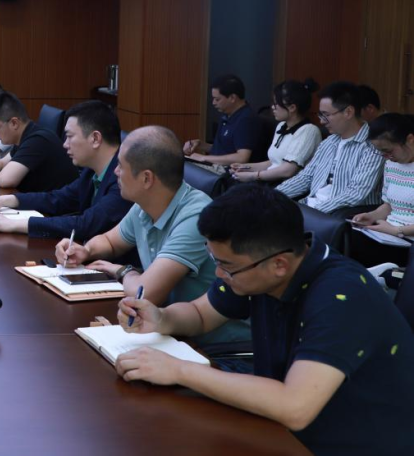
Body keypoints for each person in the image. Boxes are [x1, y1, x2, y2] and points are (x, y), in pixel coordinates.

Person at [114, 184, 414, 456]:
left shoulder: (341, 297)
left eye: (226, 266)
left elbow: (295, 406)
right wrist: (161, 318)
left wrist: (179, 370)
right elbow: (201, 315)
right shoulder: (261, 268)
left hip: (348, 442)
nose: (218, 273)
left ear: (279, 264)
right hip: (283, 429)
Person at [56, 126, 248, 345]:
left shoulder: (196, 217)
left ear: (147, 178)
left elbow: (144, 294)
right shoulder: (145, 204)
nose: (115, 172)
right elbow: (110, 241)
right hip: (173, 332)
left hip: (216, 349)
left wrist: (124, 271)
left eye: (121, 166)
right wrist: (85, 250)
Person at [0, 100, 131, 240]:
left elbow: (85, 224)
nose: (65, 144)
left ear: (95, 139)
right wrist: (5, 200)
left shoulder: (124, 179)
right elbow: (58, 198)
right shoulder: (91, 172)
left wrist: (13, 224)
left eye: (70, 136)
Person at [277, 81, 384, 213]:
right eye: (320, 115)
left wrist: (313, 212)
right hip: (311, 208)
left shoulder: (373, 145)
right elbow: (305, 178)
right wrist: (272, 196)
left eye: (326, 115)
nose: (321, 121)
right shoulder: (329, 142)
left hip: (341, 214)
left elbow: (356, 193)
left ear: (348, 112)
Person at [349, 113, 414, 265]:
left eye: (389, 150)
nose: (386, 156)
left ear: (410, 139)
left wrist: (397, 231)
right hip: (389, 234)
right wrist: (371, 216)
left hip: (406, 239)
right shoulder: (391, 164)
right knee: (347, 239)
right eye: (381, 152)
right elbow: (389, 205)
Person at [231, 78, 321, 184]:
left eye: (276, 104)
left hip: (286, 187)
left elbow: (288, 170)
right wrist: (245, 167)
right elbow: (274, 162)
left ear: (292, 107)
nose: (272, 107)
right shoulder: (281, 126)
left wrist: (253, 176)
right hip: (269, 182)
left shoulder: (309, 131)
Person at [184, 74, 260, 166]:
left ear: (232, 98)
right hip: (217, 167)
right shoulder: (227, 115)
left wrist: (203, 158)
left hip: (229, 171)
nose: (213, 103)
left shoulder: (246, 119)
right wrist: (200, 144)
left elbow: (242, 157)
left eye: (217, 99)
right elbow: (223, 150)